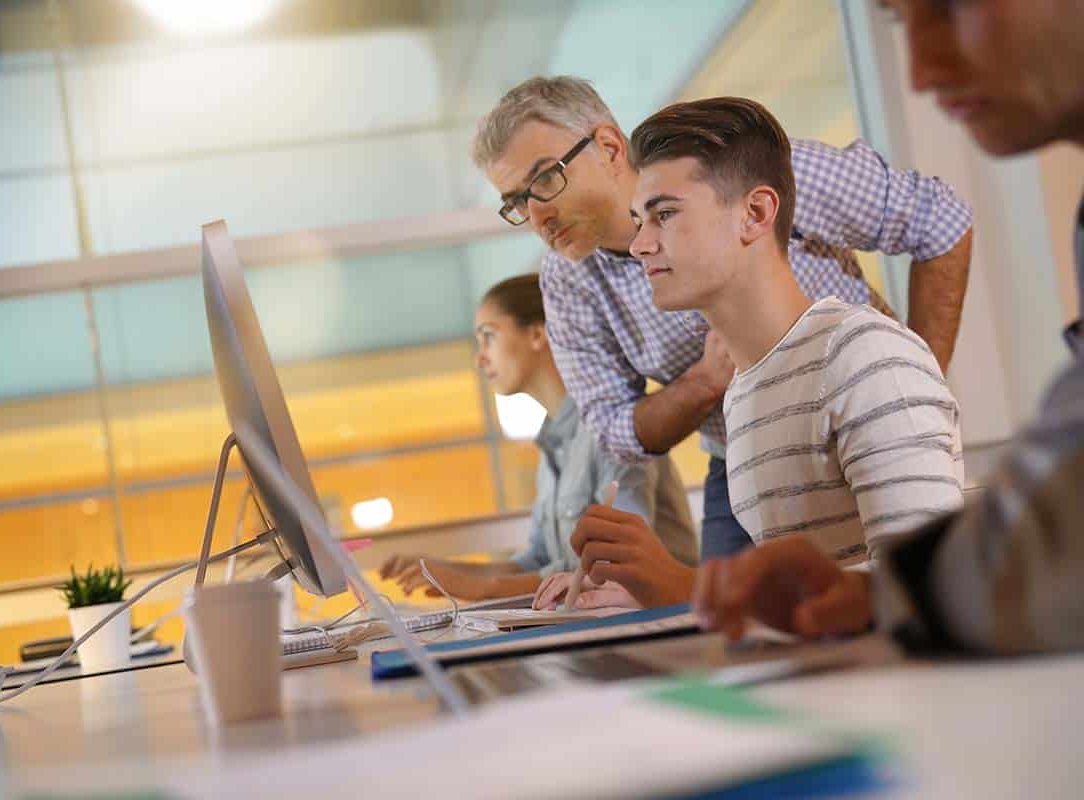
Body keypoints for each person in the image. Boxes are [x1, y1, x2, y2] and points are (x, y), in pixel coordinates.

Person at [691, 0, 1084, 655]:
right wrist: (881, 596)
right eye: (904, 23)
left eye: (951, 8)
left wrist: (908, 375)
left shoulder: (861, 352)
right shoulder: (743, 392)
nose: (920, 73)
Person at [473, 76, 973, 562]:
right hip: (746, 438)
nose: (536, 218)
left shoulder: (745, 175)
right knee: (736, 628)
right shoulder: (569, 282)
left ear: (607, 147)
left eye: (544, 179)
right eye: (516, 202)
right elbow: (614, 432)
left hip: (856, 403)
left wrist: (911, 384)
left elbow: (937, 218)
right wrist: (704, 384)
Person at [379, 274, 695, 602]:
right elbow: (535, 563)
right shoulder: (553, 444)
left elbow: (619, 562)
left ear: (536, 334)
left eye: (489, 336)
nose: (480, 358)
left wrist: (485, 588)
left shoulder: (610, 426)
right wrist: (444, 571)